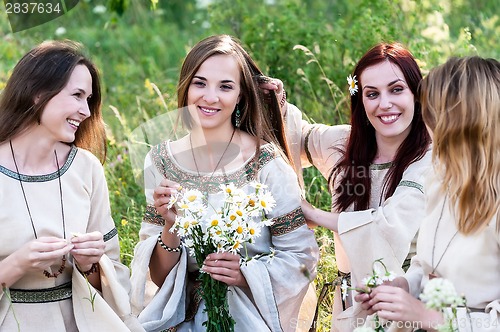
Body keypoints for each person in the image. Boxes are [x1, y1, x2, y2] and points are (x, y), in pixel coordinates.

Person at [129, 34, 319, 332]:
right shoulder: (160, 162)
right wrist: (169, 226)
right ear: (186, 86)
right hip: (180, 321)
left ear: (241, 95)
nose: (210, 96)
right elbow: (159, 278)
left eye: (225, 86)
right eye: (200, 83)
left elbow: (301, 258)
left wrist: (245, 274)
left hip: (245, 319)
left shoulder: (265, 163)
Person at [273, 42, 433, 331]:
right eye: (372, 94)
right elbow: (297, 135)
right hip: (349, 303)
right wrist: (275, 102)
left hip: (408, 308)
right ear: (360, 100)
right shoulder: (345, 144)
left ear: (416, 93)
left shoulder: (432, 159)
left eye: (396, 89)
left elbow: (386, 226)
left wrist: (312, 214)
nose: (384, 104)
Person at [0, 40, 143, 331]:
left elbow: (113, 279)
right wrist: (17, 263)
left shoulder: (86, 168)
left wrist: (90, 264)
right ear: (37, 94)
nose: (86, 111)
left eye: (89, 99)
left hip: (80, 322)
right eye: (77, 95)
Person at [356, 56, 500, 332]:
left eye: (434, 117)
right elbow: (429, 264)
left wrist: (431, 318)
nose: (427, 126)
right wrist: (403, 287)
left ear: (463, 125)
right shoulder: (441, 180)